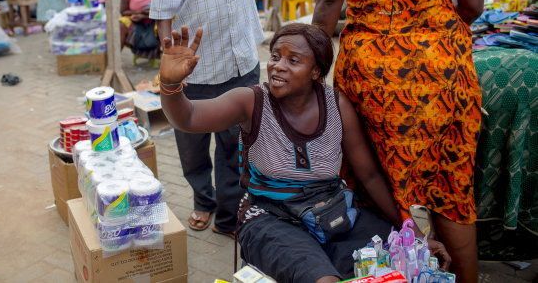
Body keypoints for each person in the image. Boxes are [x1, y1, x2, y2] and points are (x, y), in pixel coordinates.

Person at [158, 24, 450, 283]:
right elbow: (189, 118)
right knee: (322, 279)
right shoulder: (251, 102)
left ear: (316, 72)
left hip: (332, 212)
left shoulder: (336, 105)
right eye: (275, 57)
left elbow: (370, 176)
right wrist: (170, 85)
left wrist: (415, 234)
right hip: (270, 218)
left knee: (398, 263)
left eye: (293, 60)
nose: (278, 66)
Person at [308, 0, 485, 281]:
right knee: (451, 189)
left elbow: (331, 1)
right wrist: (432, 33)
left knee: (373, 182)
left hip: (369, 71)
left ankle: (388, 270)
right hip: (443, 67)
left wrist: (311, 60)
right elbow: (474, 6)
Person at [150, 0, 284, 238]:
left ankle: (229, 216)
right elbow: (162, 5)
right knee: (193, 145)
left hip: (240, 60)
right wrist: (167, 50)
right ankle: (202, 199)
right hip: (195, 67)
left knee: (235, 147)